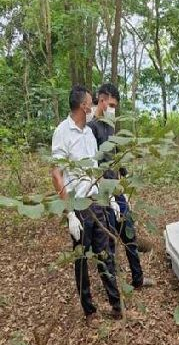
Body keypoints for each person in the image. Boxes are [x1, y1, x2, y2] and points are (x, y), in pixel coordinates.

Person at [51, 85, 123, 326]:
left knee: (105, 255)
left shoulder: (90, 134)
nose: (95, 105)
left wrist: (109, 197)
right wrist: (69, 213)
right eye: (92, 102)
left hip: (96, 202)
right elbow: (56, 174)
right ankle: (89, 311)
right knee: (82, 259)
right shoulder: (62, 132)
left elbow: (96, 170)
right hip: (79, 207)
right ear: (83, 105)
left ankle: (116, 305)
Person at [88, 82, 154, 289]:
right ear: (101, 99)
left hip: (117, 191)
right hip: (101, 194)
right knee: (109, 243)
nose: (113, 109)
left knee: (129, 234)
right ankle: (114, 288)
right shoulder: (90, 128)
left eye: (115, 106)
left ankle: (138, 279)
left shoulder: (110, 124)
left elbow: (116, 156)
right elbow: (92, 164)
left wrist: (125, 179)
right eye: (111, 104)